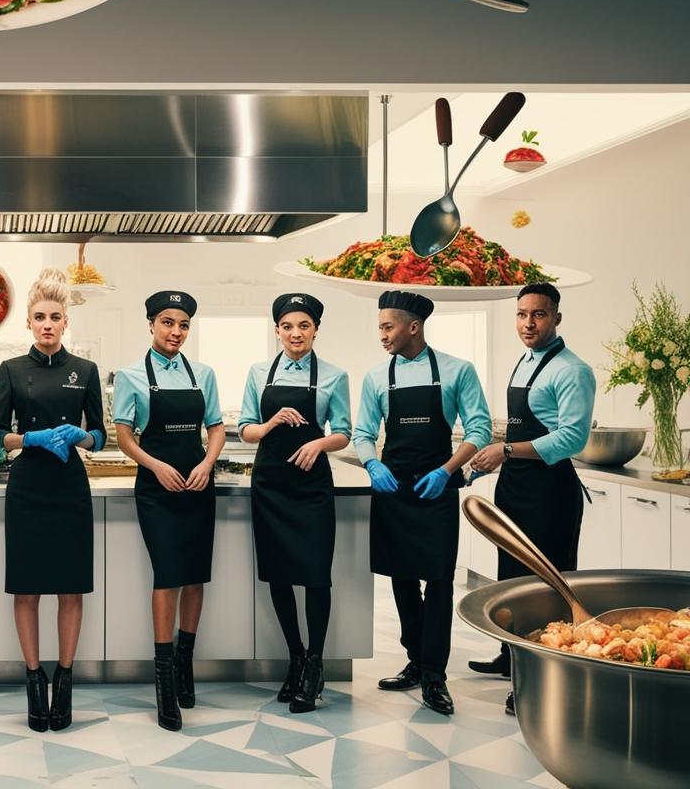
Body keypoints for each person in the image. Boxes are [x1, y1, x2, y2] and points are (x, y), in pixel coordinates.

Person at [353, 290, 491, 716]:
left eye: (387, 326)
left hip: (436, 488)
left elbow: (480, 430)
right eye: (379, 327)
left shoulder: (457, 371)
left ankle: (435, 676)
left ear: (413, 327)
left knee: (439, 580)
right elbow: (362, 433)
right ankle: (415, 659)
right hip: (394, 489)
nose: (382, 335)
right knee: (401, 578)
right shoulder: (378, 377)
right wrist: (372, 465)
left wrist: (447, 471)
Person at [467, 282, 595, 716]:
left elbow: (572, 438)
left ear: (557, 318)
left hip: (550, 492)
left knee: (546, 585)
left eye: (538, 315)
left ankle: (539, 678)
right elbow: (523, 427)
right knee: (511, 578)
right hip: (515, 485)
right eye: (522, 314)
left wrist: (505, 451)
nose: (528, 323)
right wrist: (496, 454)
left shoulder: (572, 370)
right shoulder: (524, 362)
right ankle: (511, 658)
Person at [0, 268, 106, 733]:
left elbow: (99, 436)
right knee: (27, 587)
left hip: (70, 488)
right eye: (39, 317)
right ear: (29, 323)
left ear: (66, 321)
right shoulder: (12, 370)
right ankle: (34, 679)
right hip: (28, 489)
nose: (48, 324)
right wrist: (29, 438)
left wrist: (83, 434)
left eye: (55, 316)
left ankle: (65, 679)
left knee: (71, 586)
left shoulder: (87, 370)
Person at [113, 290, 224, 732]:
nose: (175, 331)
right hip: (157, 489)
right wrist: (157, 466)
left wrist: (206, 464)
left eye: (183, 325)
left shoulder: (204, 374)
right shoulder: (131, 375)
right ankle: (163, 684)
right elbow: (123, 438)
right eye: (167, 322)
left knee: (196, 574)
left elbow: (215, 428)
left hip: (197, 484)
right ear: (151, 324)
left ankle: (185, 665)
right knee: (168, 574)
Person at [238, 293, 352, 714]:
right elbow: (246, 429)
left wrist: (319, 444)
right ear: (277, 331)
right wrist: (270, 423)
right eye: (287, 326)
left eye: (303, 325)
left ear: (316, 330)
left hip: (311, 487)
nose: (295, 333)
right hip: (270, 484)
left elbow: (344, 430)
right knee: (279, 575)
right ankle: (296, 658)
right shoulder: (258, 372)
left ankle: (316, 663)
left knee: (316, 575)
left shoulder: (334, 376)